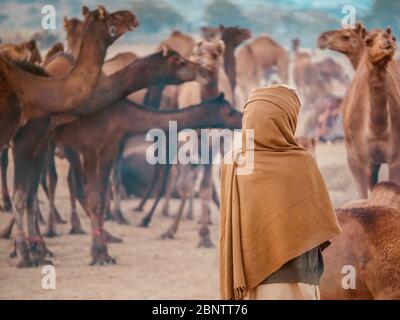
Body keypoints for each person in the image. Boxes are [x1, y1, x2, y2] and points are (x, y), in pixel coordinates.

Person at [219, 85, 342, 300]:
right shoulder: (302, 162)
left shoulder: (233, 163)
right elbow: (317, 221)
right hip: (298, 275)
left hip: (249, 276)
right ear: (287, 119)